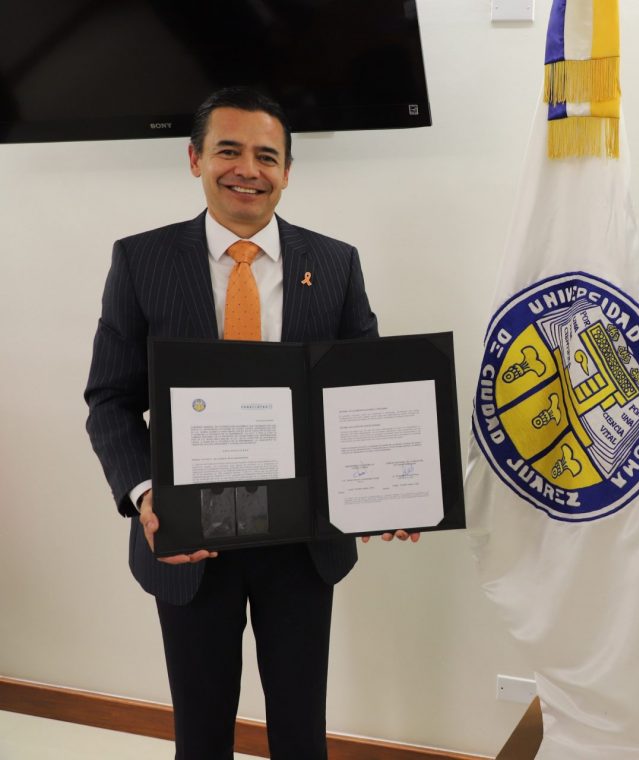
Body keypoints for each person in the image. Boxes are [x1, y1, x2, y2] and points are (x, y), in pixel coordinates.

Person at [85, 87, 418, 759]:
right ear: (194, 159)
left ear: (287, 171)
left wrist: (389, 489)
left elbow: (364, 396)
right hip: (188, 540)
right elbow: (111, 399)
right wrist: (147, 496)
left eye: (266, 156)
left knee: (301, 731)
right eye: (228, 151)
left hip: (301, 543)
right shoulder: (141, 261)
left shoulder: (335, 264)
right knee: (201, 733)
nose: (248, 170)